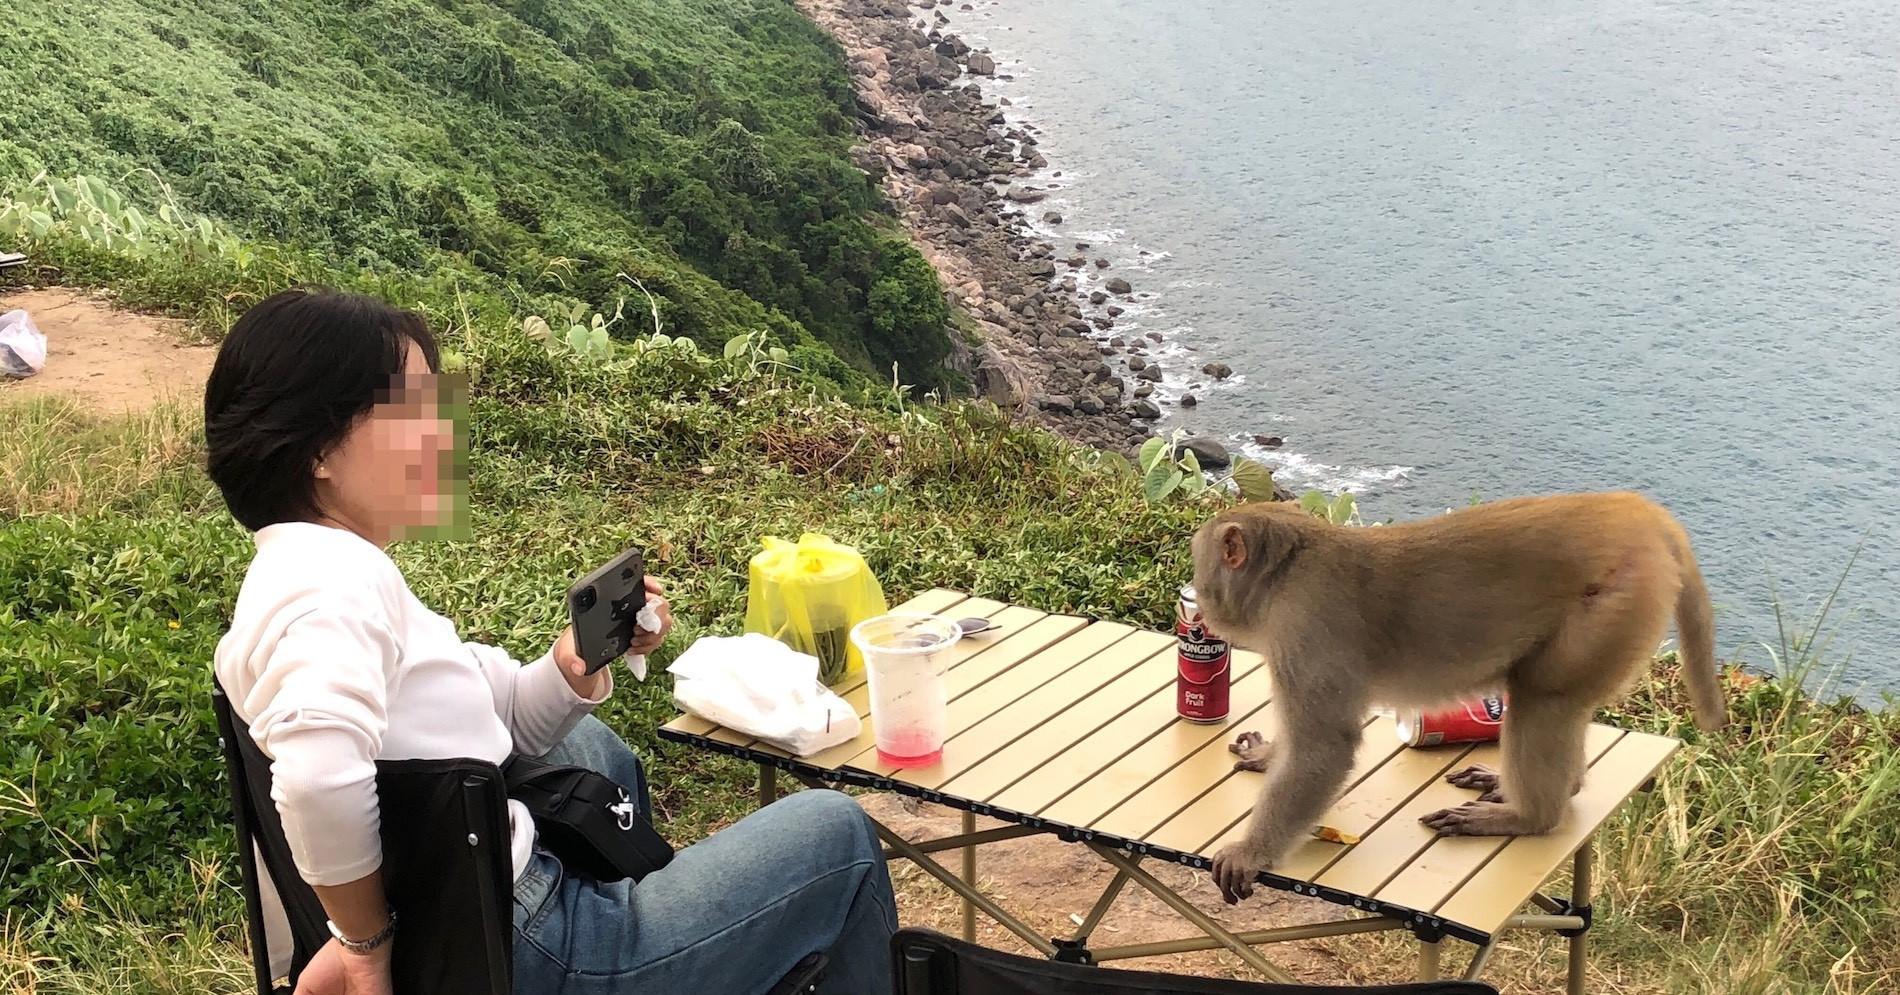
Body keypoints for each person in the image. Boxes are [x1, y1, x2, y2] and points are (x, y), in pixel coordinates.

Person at [205, 287, 898, 995]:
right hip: (535, 943)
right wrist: (362, 943)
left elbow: (483, 714)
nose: (441, 431)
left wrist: (571, 663)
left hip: (486, 905)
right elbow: (317, 775)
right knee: (837, 838)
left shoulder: (303, 569)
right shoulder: (329, 585)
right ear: (320, 450)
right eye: (411, 410)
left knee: (594, 752)